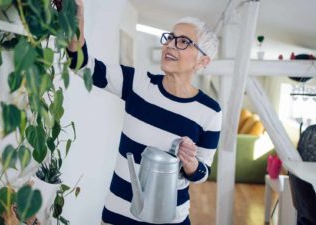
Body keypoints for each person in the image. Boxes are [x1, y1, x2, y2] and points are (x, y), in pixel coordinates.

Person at [67, 1, 222, 224]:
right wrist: (76, 18)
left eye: (183, 42)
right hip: (119, 214)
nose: (169, 45)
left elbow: (203, 173)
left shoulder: (210, 112)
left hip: (170, 219)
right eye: (169, 37)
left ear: (203, 60)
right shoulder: (139, 83)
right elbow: (82, 65)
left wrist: (190, 164)